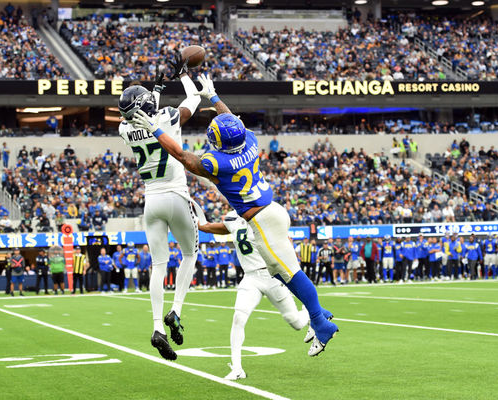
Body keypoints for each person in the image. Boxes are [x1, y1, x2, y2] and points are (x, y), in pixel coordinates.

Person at [133, 73, 338, 356]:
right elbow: (234, 123)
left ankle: (319, 321)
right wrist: (214, 97)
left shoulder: (218, 162)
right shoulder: (251, 140)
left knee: (289, 274)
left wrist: (156, 131)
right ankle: (319, 313)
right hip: (270, 212)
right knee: (281, 273)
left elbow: (182, 156)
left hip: (263, 220)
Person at [118, 64, 202, 361]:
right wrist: (184, 77)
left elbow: (140, 116)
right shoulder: (166, 117)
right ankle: (176, 309)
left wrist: (153, 91)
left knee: (158, 264)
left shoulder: (124, 129)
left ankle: (157, 327)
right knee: (190, 254)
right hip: (176, 194)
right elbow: (194, 100)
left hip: (151, 200)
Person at [199, 211, 310, 380]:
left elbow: (284, 242)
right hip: (250, 277)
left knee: (296, 323)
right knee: (238, 318)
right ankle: (237, 368)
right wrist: (195, 221)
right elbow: (209, 227)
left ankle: (309, 313)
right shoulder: (233, 219)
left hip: (272, 275)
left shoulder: (264, 216)